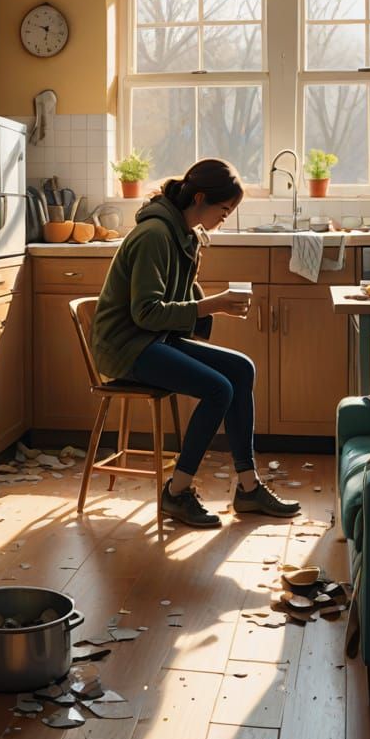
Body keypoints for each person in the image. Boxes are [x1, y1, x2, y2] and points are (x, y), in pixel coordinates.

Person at [90, 158, 300, 528]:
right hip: (127, 346)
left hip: (155, 338)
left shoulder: (183, 232)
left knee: (241, 369)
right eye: (224, 209)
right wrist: (213, 305)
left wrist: (211, 307)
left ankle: (248, 487)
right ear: (200, 198)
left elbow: (181, 291)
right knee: (218, 389)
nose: (225, 217)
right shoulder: (155, 235)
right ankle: (176, 492)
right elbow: (146, 313)